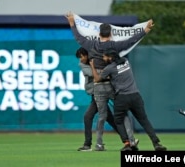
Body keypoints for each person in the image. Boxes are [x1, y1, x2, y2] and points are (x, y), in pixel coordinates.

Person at [65, 11, 153, 151]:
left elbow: (79, 38)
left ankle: (98, 144)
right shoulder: (114, 46)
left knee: (102, 116)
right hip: (112, 84)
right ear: (110, 33)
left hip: (99, 86)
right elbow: (130, 40)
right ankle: (130, 141)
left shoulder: (91, 45)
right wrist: (145, 31)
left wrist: (72, 23)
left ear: (99, 33)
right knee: (122, 114)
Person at [89, 48, 167, 151]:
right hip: (135, 96)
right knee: (144, 120)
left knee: (118, 121)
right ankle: (156, 143)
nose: (103, 58)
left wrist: (92, 66)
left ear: (110, 57)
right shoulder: (126, 61)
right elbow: (118, 74)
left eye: (105, 56)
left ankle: (127, 144)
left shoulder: (109, 68)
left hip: (122, 98)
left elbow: (97, 79)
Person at [75, 47, 139, 151]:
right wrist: (103, 73)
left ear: (86, 55)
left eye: (81, 57)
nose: (80, 60)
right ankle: (129, 141)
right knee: (109, 119)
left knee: (94, 117)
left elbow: (105, 72)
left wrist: (101, 71)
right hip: (96, 92)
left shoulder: (98, 60)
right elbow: (93, 74)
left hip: (107, 90)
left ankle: (89, 145)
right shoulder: (83, 64)